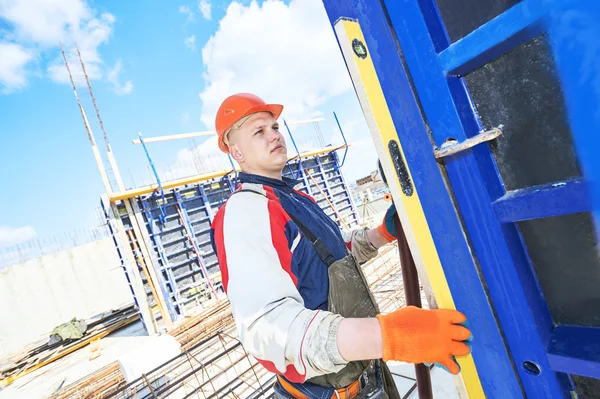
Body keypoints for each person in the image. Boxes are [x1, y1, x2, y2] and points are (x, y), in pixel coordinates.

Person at [209, 93, 472, 399]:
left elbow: (334, 255)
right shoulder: (246, 210)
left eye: (275, 126)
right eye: (259, 131)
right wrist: (390, 336)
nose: (275, 135)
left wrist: (381, 234)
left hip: (364, 375)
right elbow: (268, 327)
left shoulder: (293, 199)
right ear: (235, 150)